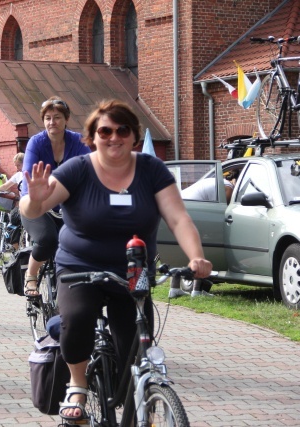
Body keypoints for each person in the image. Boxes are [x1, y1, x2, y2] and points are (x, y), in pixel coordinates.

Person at [20, 99, 213, 422]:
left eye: (122, 130)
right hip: (80, 269)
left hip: (133, 272)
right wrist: (33, 200)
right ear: (92, 137)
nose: (114, 137)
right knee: (78, 318)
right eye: (104, 131)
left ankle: (138, 400)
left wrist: (197, 258)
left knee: (136, 346)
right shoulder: (78, 169)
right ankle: (78, 384)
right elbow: (35, 209)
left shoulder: (152, 170)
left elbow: (179, 218)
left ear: (134, 136)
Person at [20, 96, 91, 297]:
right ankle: (31, 275)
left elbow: (89, 172)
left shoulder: (78, 141)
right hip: (37, 205)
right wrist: (35, 197)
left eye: (57, 117)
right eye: (48, 118)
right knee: (48, 239)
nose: (52, 122)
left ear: (66, 119)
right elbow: (28, 179)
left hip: (67, 206)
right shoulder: (36, 143)